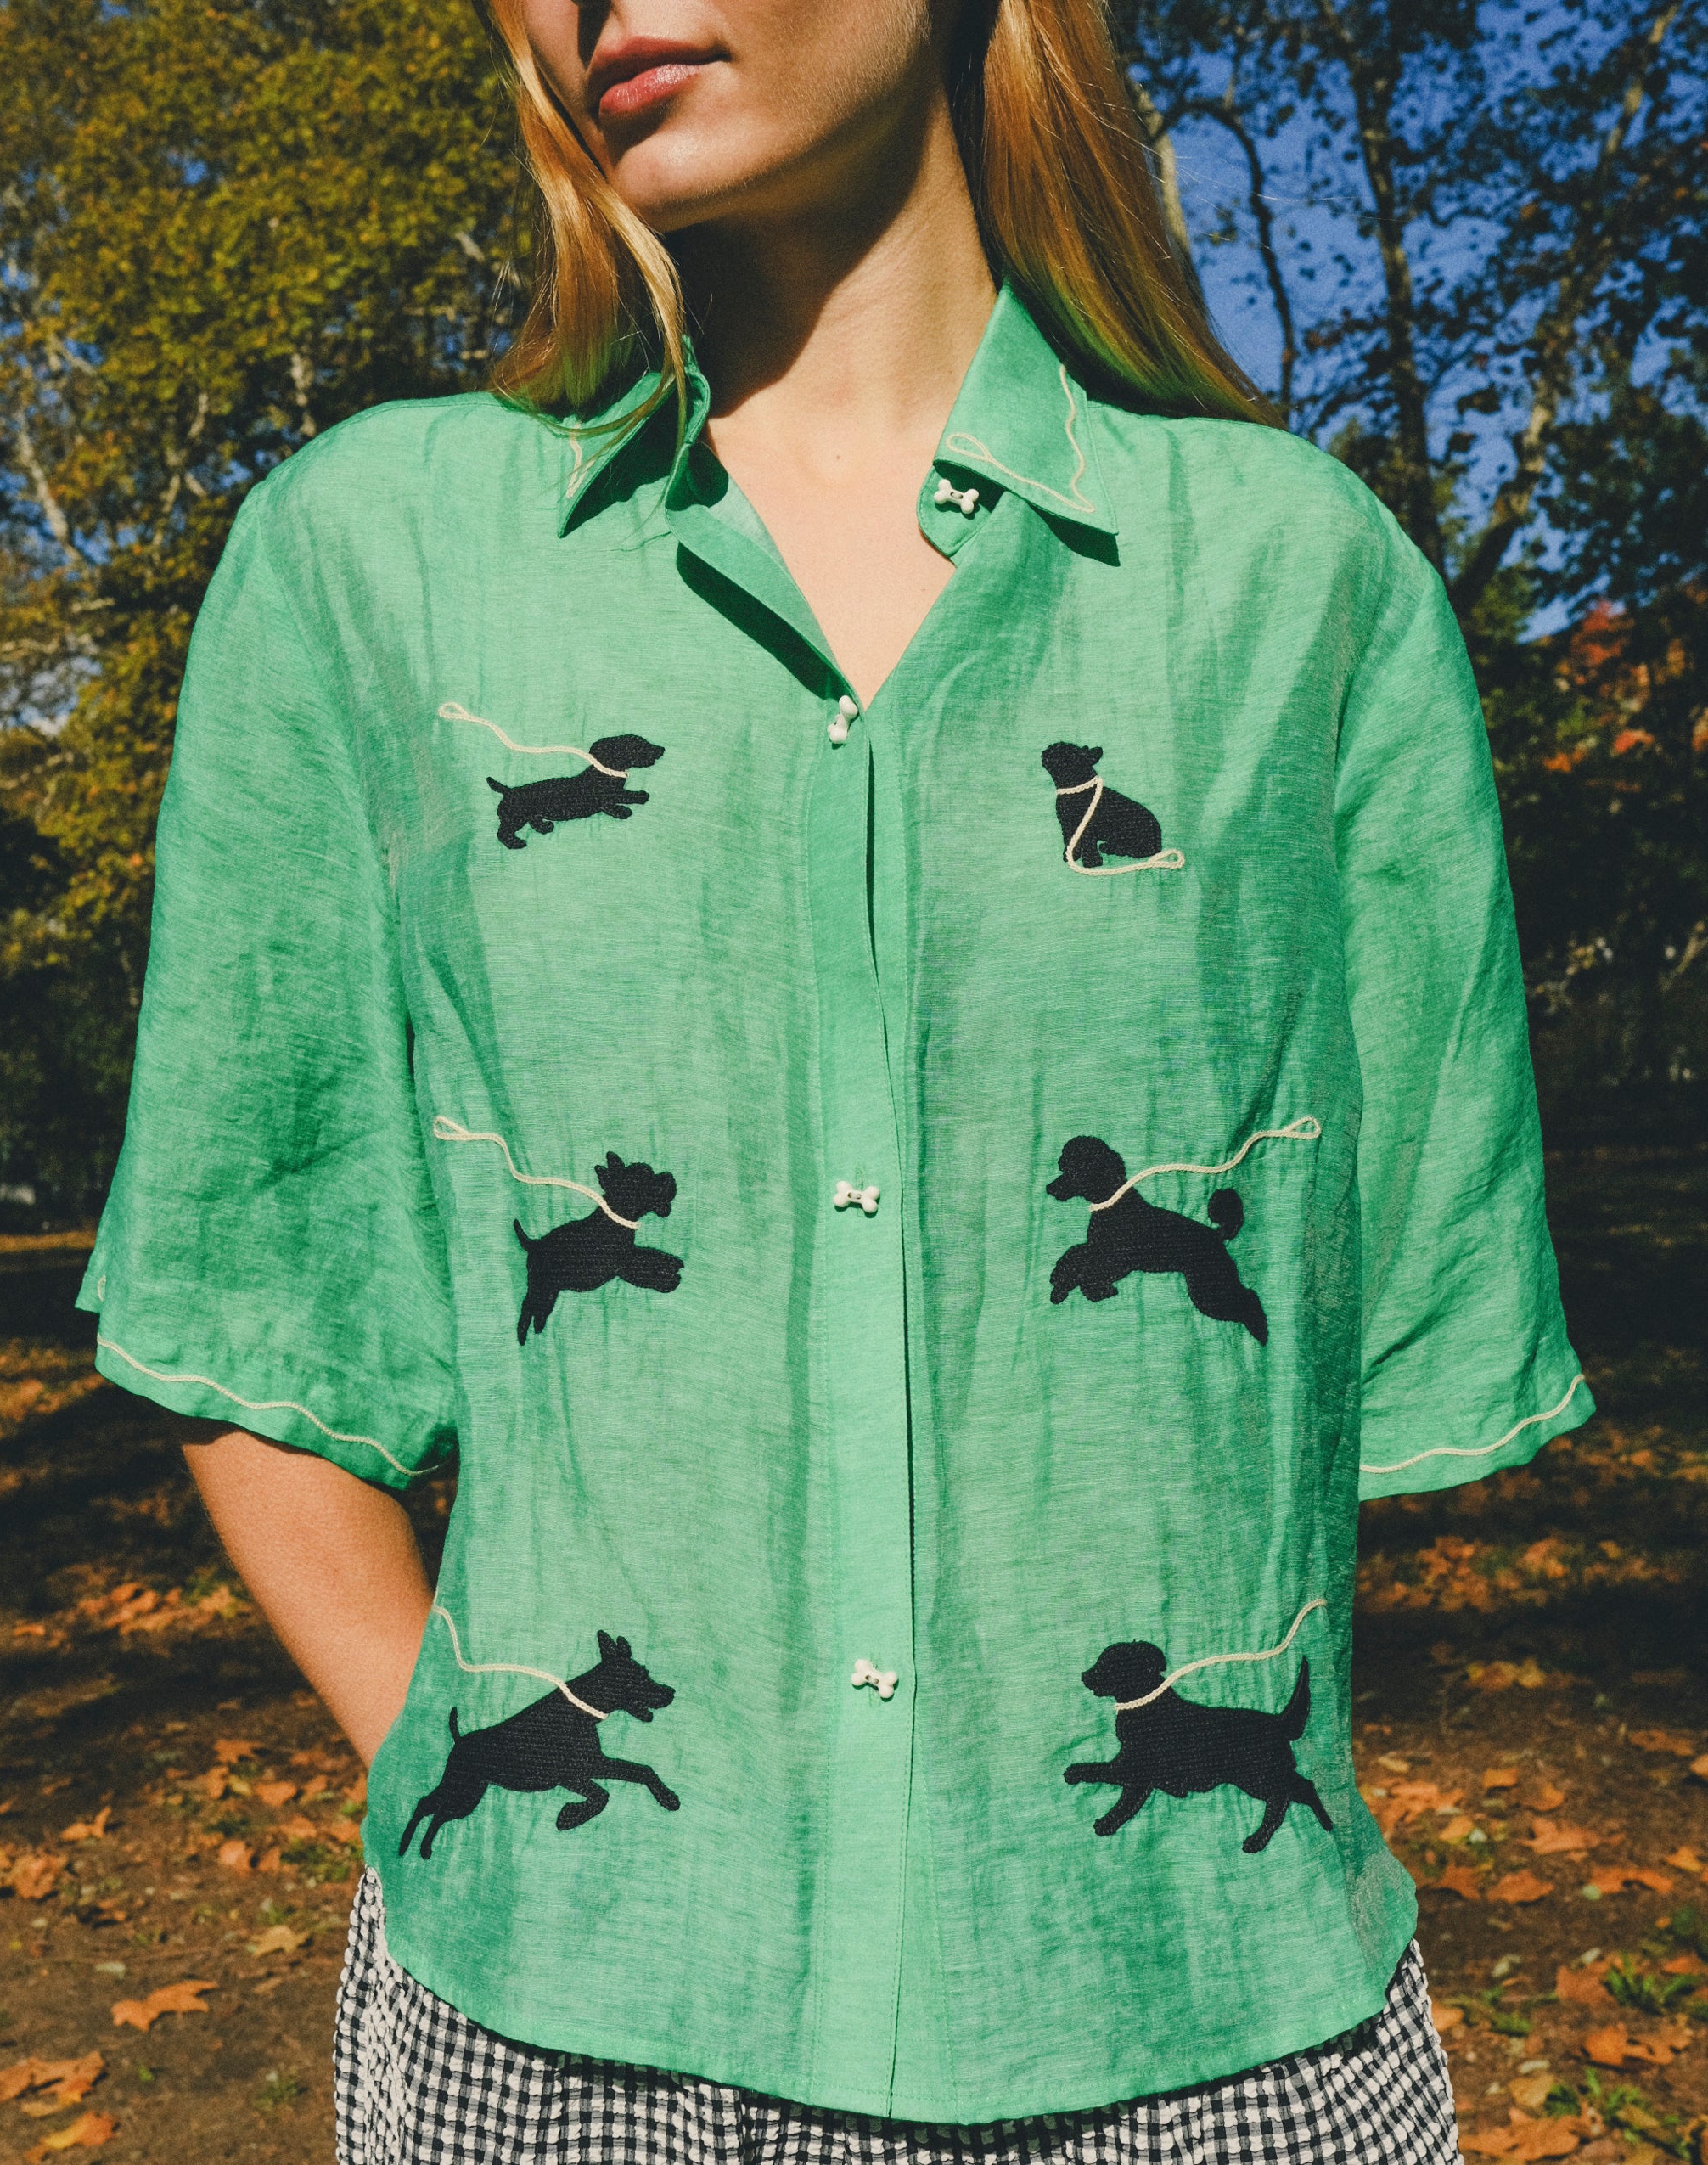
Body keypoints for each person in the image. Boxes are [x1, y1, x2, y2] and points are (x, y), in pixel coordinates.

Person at [78, 0, 1595, 2157]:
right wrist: (481, 1777)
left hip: (1214, 2048)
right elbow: (255, 1301)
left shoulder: (1298, 591)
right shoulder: (368, 564)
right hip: (552, 2041)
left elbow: (1371, 1372)